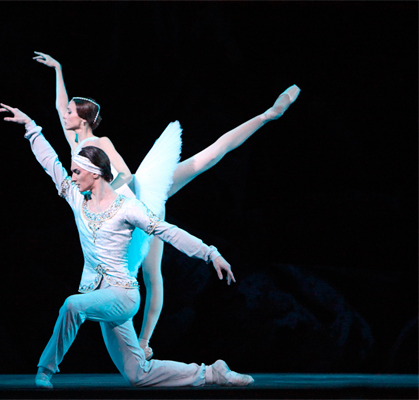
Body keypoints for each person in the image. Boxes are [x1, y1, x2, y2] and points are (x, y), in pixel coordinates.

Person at [33, 51, 301, 360]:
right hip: (131, 206)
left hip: (136, 198)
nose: (63, 113)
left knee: (207, 159)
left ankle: (269, 114)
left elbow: (122, 175)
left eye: (69, 111)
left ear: (81, 118)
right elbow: (58, 106)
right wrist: (58, 70)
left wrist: (128, 207)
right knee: (151, 273)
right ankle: (145, 342)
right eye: (65, 110)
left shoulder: (99, 143)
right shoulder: (76, 142)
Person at [0, 103, 254, 389]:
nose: (72, 177)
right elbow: (51, 164)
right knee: (138, 374)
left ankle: (45, 371)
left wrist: (210, 252)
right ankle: (212, 373)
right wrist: (30, 127)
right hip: (100, 293)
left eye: (77, 173)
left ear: (94, 173)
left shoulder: (128, 208)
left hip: (123, 296)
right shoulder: (75, 198)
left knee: (73, 305)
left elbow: (167, 231)